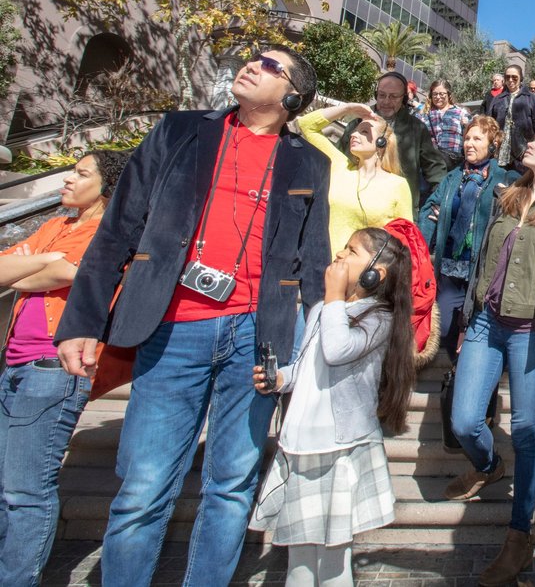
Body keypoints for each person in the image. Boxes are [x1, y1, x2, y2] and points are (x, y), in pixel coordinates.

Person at [55, 46, 332, 587]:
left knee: (230, 488)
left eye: (271, 66)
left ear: (292, 97)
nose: (253, 65)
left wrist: (314, 349)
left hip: (259, 338)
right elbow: (118, 228)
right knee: (143, 488)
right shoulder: (178, 132)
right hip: (171, 328)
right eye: (254, 57)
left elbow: (315, 262)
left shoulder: (310, 162)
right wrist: (83, 320)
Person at [443, 128, 535, 586]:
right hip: (487, 323)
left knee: (527, 428)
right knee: (465, 420)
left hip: (534, 333)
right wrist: (467, 320)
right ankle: (488, 465)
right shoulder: (507, 195)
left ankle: (519, 535)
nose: (529, 143)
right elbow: (483, 260)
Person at [249, 227, 416, 587]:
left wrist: (334, 296)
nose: (339, 255)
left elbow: (337, 350)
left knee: (334, 558)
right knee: (298, 557)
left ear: (376, 273)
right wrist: (281, 379)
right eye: (343, 247)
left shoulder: (379, 317)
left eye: (352, 251)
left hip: (338, 448)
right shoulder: (323, 310)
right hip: (300, 443)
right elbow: (309, 363)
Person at [0, 151, 130, 585]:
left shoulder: (106, 233)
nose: (68, 180)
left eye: (81, 174)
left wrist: (39, 264)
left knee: (25, 491)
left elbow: (60, 274)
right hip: (15, 365)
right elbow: (11, 272)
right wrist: (45, 263)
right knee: (7, 490)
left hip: (53, 368)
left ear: (107, 186)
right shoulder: (56, 225)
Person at [418, 116, 516, 363]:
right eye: (467, 138)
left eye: (477, 138)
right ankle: (456, 371)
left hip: (484, 273)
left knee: (478, 338)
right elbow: (430, 210)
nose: (469, 144)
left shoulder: (505, 180)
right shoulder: (452, 178)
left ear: (492, 144)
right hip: (451, 270)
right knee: (447, 327)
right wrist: (419, 256)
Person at [297, 102, 413, 253]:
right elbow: (306, 125)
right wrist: (347, 109)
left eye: (364, 132)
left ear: (381, 142)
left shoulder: (398, 185)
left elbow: (406, 240)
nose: (353, 134)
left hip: (364, 272)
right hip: (323, 264)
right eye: (355, 131)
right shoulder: (340, 165)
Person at [336, 72, 446, 211]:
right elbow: (337, 158)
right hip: (354, 204)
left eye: (393, 96)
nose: (386, 101)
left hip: (397, 210)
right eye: (382, 95)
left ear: (404, 99)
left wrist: (440, 199)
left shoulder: (417, 128)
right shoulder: (357, 124)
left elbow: (435, 167)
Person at [486, 65, 535, 170]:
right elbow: (489, 123)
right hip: (500, 150)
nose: (510, 80)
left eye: (514, 77)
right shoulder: (497, 99)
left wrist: (532, 145)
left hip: (522, 150)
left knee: (519, 182)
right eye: (507, 77)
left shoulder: (530, 98)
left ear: (521, 78)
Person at [421, 79, 471, 170]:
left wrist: (467, 125)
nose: (438, 97)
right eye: (435, 94)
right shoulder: (425, 115)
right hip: (432, 162)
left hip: (455, 162)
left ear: (448, 94)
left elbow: (471, 133)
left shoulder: (460, 112)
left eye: (441, 94)